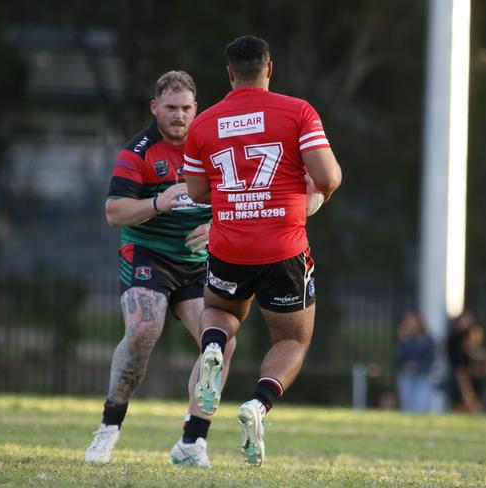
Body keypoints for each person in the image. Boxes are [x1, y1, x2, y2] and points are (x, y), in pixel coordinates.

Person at [183, 35, 342, 467]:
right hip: (283, 249)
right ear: (269, 69)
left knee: (221, 314)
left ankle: (213, 345)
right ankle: (258, 403)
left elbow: (198, 191)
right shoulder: (298, 112)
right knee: (292, 338)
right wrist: (316, 194)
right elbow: (328, 176)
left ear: (229, 73)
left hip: (229, 245)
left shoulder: (204, 123)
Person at [84, 71, 236, 467]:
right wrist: (157, 204)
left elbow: (241, 199)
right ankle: (109, 426)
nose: (179, 116)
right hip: (149, 254)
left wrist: (216, 226)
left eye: (187, 108)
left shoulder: (214, 147)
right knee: (143, 329)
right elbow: (114, 212)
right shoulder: (138, 152)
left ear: (196, 109)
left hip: (198, 264)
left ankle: (192, 442)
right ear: (155, 108)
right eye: (171, 108)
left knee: (221, 344)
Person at [395, 312, 435, 413]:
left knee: (421, 405)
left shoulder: (427, 340)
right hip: (407, 375)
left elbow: (430, 359)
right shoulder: (405, 339)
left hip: (422, 376)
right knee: (407, 405)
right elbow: (399, 357)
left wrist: (418, 365)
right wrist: (403, 340)